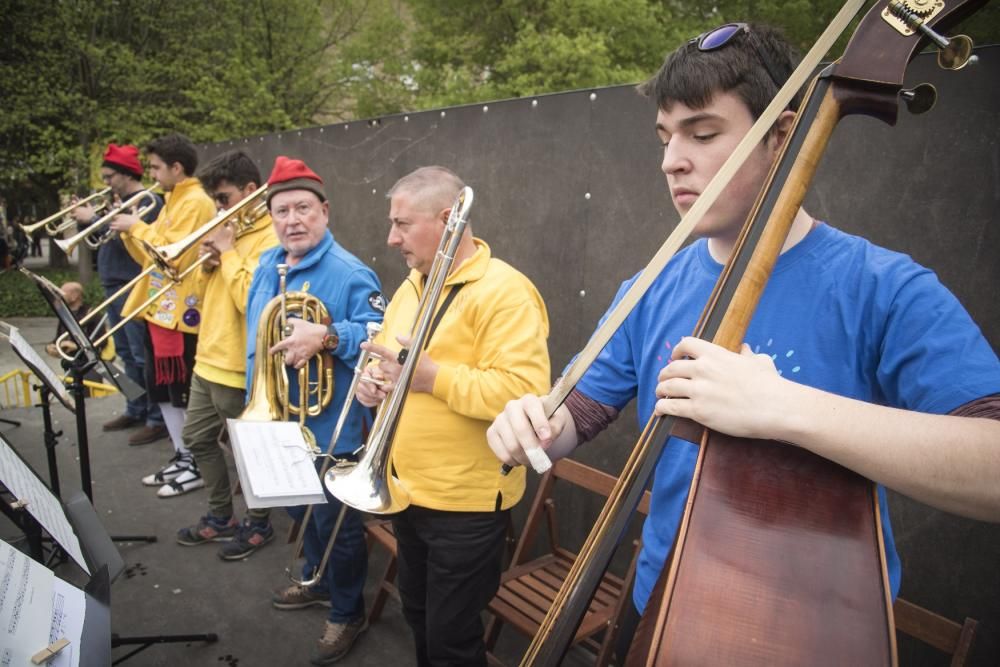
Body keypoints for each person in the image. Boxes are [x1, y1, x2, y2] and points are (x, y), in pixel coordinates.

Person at [486, 22, 1000, 657]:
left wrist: (783, 408)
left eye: (703, 134)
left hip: (819, 632)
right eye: (665, 136)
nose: (672, 158)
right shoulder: (651, 285)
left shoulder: (883, 287)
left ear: (782, 136)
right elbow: (574, 417)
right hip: (660, 608)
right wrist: (528, 423)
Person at [354, 166, 551, 667]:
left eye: (403, 223)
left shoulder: (506, 291)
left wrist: (431, 379)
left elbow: (525, 393)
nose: (391, 237)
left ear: (447, 219)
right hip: (406, 489)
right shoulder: (412, 285)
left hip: (464, 505)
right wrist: (376, 387)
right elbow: (396, 368)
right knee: (419, 613)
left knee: (452, 640)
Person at [246, 156, 383, 665]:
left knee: (337, 530)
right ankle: (318, 580)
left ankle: (347, 611)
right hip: (278, 419)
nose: (292, 220)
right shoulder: (267, 263)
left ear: (324, 212)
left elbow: (377, 335)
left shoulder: (350, 272)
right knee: (299, 512)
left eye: (303, 208)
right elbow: (255, 340)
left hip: (331, 428)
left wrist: (325, 336)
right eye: (281, 211)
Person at [174, 150, 279, 539]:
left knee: (251, 453)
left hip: (238, 366)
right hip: (207, 360)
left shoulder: (271, 237)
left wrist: (229, 253)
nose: (218, 207)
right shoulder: (227, 231)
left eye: (224, 198)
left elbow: (253, 302)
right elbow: (203, 296)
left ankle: (259, 523)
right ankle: (221, 516)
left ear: (251, 190)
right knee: (197, 439)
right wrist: (206, 264)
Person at [110, 133, 216, 495]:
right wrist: (130, 232)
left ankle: (196, 461)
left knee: (181, 392)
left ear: (176, 167)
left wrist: (135, 227)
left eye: (156, 167)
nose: (151, 174)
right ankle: (182, 453)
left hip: (181, 313)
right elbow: (148, 257)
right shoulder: (172, 199)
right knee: (163, 392)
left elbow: (175, 256)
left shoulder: (196, 201)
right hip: (159, 308)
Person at [70, 143, 167, 445]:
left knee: (141, 354)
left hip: (134, 283)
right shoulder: (115, 201)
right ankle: (136, 407)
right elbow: (102, 239)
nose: (106, 182)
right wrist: (88, 221)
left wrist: (103, 218)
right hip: (113, 282)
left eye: (110, 176)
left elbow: (148, 244)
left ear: (126, 174)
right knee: (125, 354)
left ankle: (157, 417)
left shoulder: (146, 201)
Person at [45, 281, 105, 359]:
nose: (58, 296)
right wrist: (50, 347)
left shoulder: (91, 314)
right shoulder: (65, 314)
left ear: (75, 295)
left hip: (87, 359)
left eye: (62, 293)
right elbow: (59, 337)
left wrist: (77, 346)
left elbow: (102, 341)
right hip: (70, 360)